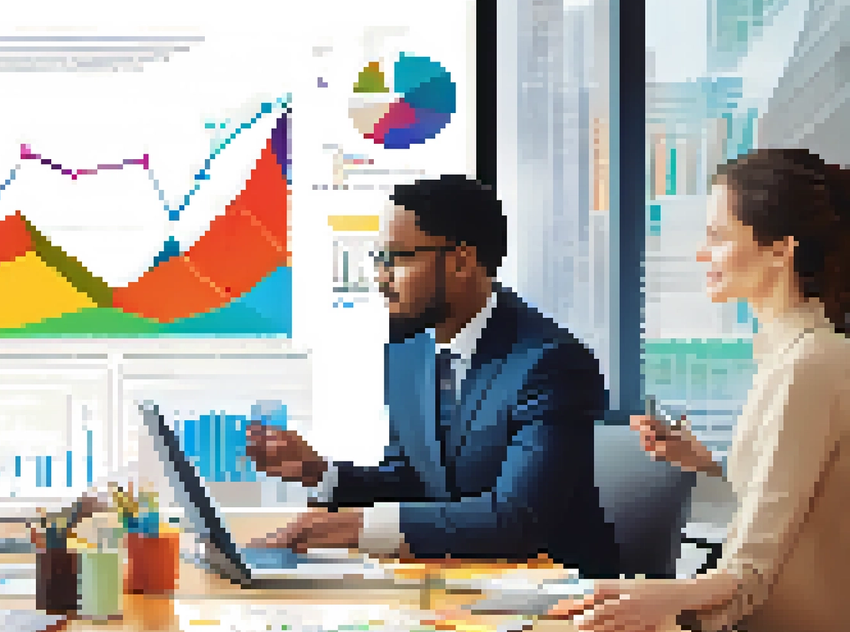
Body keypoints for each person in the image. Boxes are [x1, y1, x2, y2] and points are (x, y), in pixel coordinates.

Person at [551, 149, 850, 632]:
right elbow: (796, 511)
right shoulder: (794, 357)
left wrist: (661, 596)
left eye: (717, 235)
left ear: (779, 251)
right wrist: (705, 464)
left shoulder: (809, 365)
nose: (701, 253)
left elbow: (753, 570)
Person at [245, 175, 619, 578]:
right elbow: (413, 480)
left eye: (398, 258)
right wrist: (321, 473)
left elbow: (518, 518)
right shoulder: (409, 354)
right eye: (378, 258)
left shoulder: (550, 363)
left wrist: (354, 527)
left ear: (461, 262)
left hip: (558, 598)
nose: (380, 276)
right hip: (456, 583)